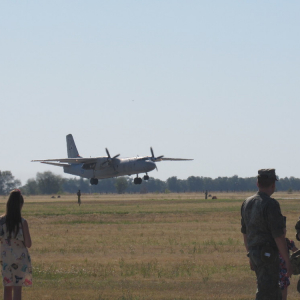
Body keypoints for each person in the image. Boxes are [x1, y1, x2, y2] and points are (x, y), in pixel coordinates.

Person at [241, 169, 292, 300]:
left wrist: (250, 254)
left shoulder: (247, 202)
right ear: (273, 185)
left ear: (257, 183)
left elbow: (245, 233)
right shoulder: (271, 204)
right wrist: (286, 260)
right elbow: (278, 236)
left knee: (264, 288)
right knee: (269, 293)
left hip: (255, 254)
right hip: (268, 256)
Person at [0, 189, 32, 300]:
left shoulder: (1, 221)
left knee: (7, 287)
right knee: (17, 288)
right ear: (20, 205)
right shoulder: (22, 222)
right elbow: (28, 244)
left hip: (5, 258)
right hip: (20, 258)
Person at [279, 227, 298, 300]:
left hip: (284, 272)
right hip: (273, 271)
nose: (283, 232)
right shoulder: (272, 243)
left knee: (283, 296)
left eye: (284, 230)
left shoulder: (288, 242)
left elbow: (296, 252)